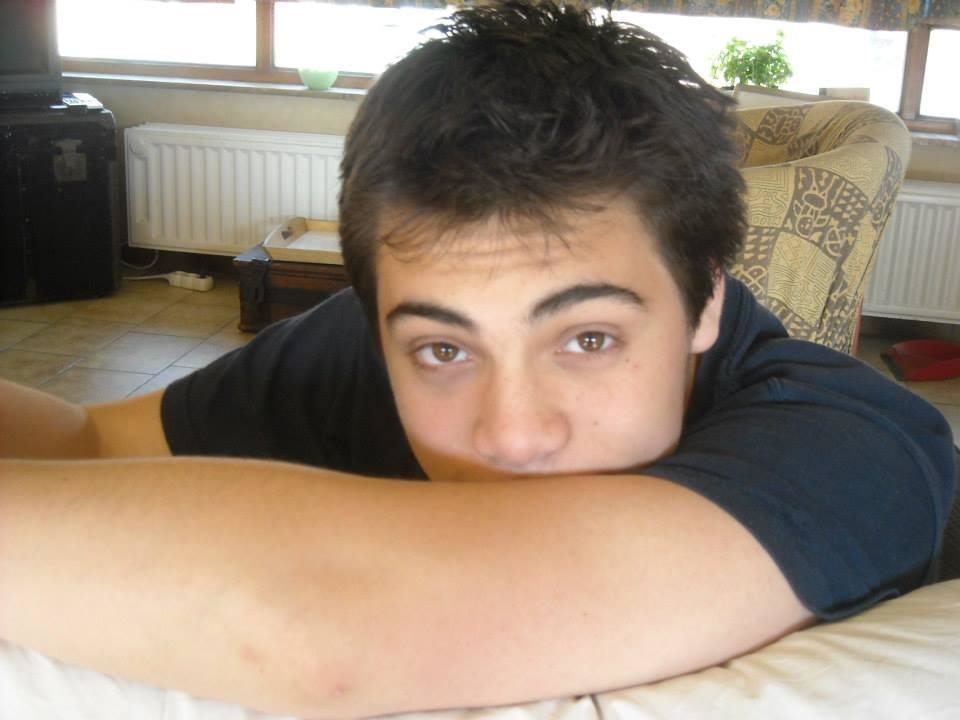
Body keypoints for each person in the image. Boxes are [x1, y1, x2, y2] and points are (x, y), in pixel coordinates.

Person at [0, 2, 955, 718]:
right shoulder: (362, 346)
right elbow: (88, 442)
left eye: (588, 339)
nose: (512, 434)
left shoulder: (855, 449)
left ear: (705, 299)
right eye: (445, 348)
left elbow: (326, 629)